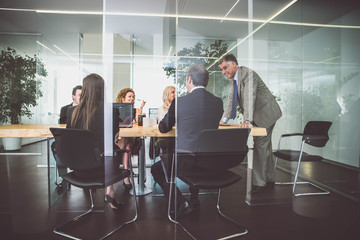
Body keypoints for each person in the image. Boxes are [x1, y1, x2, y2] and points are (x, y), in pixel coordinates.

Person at [151, 65, 223, 218]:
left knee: (157, 168)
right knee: (196, 150)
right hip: (211, 161)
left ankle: (180, 202)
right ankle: (194, 199)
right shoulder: (218, 102)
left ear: (189, 79)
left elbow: (163, 128)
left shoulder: (180, 102)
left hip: (186, 162)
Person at [218, 53, 282, 193]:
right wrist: (224, 120)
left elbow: (249, 97)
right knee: (265, 146)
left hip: (266, 114)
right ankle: (269, 178)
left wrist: (247, 121)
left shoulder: (248, 74)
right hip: (260, 114)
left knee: (260, 145)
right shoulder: (234, 79)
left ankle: (260, 183)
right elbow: (232, 98)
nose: (223, 72)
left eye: (224, 68)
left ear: (233, 64)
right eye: (221, 69)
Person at [66, 74, 122, 210]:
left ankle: (109, 193)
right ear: (102, 90)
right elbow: (113, 140)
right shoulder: (110, 112)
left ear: (84, 90)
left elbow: (69, 139)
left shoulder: (71, 112)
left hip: (78, 169)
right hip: (102, 170)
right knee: (116, 148)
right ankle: (110, 192)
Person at [114, 88, 146, 190]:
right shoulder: (115, 110)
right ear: (123, 99)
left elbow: (137, 121)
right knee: (126, 144)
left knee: (127, 142)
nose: (132, 99)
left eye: (133, 97)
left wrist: (140, 109)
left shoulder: (134, 110)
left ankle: (125, 175)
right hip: (119, 137)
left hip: (131, 138)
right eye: (129, 97)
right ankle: (125, 175)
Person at [51, 85, 82, 187]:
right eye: (79, 95)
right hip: (69, 138)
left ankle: (84, 174)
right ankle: (64, 177)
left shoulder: (88, 109)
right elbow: (62, 124)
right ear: (73, 96)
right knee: (55, 146)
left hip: (82, 139)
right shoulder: (65, 109)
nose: (82, 97)